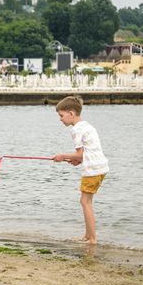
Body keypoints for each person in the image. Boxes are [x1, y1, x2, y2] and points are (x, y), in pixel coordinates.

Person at [53, 96, 109, 244]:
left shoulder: (76, 130)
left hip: (92, 170)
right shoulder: (87, 126)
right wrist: (76, 161)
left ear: (71, 114)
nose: (60, 119)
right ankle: (87, 236)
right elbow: (86, 153)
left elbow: (80, 153)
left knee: (85, 202)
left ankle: (92, 239)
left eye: (61, 115)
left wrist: (62, 156)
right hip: (101, 167)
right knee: (87, 201)